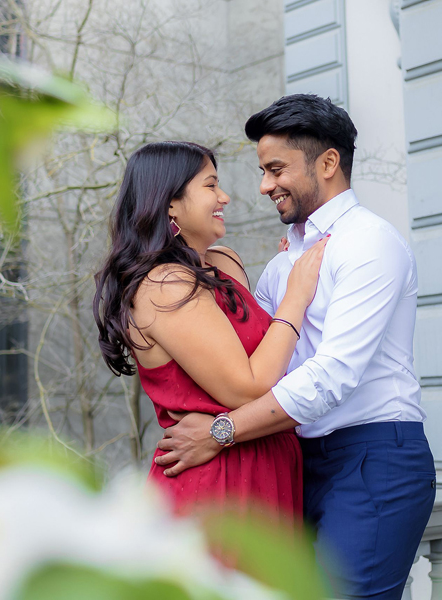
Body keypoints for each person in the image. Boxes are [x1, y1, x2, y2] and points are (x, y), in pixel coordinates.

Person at [155, 95, 436, 600]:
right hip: (294, 460)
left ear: (327, 163)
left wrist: (221, 431)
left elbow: (332, 375)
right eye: (263, 171)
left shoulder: (369, 243)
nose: (264, 186)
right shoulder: (284, 263)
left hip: (372, 457)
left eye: (276, 170)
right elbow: (255, 356)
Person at [93, 141, 326, 521]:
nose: (224, 197)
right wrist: (295, 297)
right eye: (210, 185)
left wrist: (287, 270)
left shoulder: (224, 263)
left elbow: (266, 349)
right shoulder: (166, 285)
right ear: (170, 203)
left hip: (272, 462)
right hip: (218, 481)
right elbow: (248, 387)